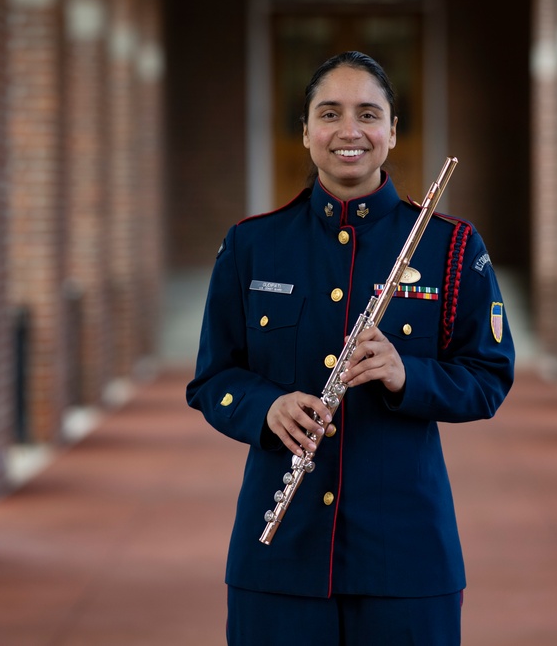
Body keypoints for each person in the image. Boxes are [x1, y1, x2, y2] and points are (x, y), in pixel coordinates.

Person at [186, 50, 515, 645]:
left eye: (368, 114)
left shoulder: (451, 246)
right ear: (306, 131)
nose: (349, 131)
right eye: (329, 113)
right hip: (279, 557)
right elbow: (212, 379)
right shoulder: (252, 245)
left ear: (391, 131)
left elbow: (488, 377)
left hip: (407, 557)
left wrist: (406, 375)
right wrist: (266, 407)